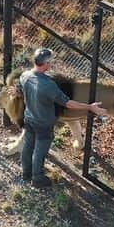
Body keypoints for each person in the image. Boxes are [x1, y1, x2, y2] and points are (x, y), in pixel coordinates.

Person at [12, 48, 107, 187]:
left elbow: (20, 89)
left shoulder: (25, 75)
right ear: (46, 64)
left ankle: (26, 173)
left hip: (29, 119)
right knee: (39, 151)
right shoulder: (49, 85)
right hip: (43, 124)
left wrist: (17, 91)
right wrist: (90, 107)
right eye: (50, 62)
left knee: (27, 147)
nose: (51, 65)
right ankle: (37, 179)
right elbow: (69, 104)